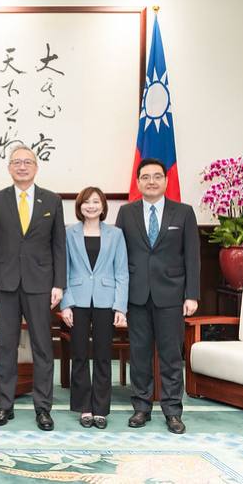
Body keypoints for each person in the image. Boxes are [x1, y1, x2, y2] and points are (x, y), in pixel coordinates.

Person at [115, 157, 200, 434]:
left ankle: (173, 411)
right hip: (136, 295)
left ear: (165, 181)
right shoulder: (126, 213)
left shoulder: (184, 212)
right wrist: (120, 297)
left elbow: (193, 257)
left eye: (156, 177)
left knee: (171, 355)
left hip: (171, 295)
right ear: (138, 182)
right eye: (146, 177)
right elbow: (119, 257)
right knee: (139, 355)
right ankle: (141, 407)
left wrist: (192, 295)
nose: (151, 181)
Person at [0, 145, 66, 431]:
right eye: (16, 162)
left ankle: (43, 408)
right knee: (6, 346)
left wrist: (59, 284)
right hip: (5, 283)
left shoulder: (52, 201)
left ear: (36, 167)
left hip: (41, 284)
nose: (22, 166)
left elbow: (59, 246)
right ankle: (5, 407)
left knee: (43, 347)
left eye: (27, 162)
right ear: (9, 167)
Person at [60, 187, 128, 429]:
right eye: (86, 202)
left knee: (102, 356)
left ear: (103, 206)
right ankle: (84, 408)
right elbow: (63, 270)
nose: (91, 206)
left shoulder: (116, 234)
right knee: (79, 355)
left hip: (105, 300)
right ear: (79, 206)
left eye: (96, 201)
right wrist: (65, 303)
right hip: (76, 300)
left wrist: (120, 307)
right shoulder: (69, 233)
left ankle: (100, 409)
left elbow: (121, 272)